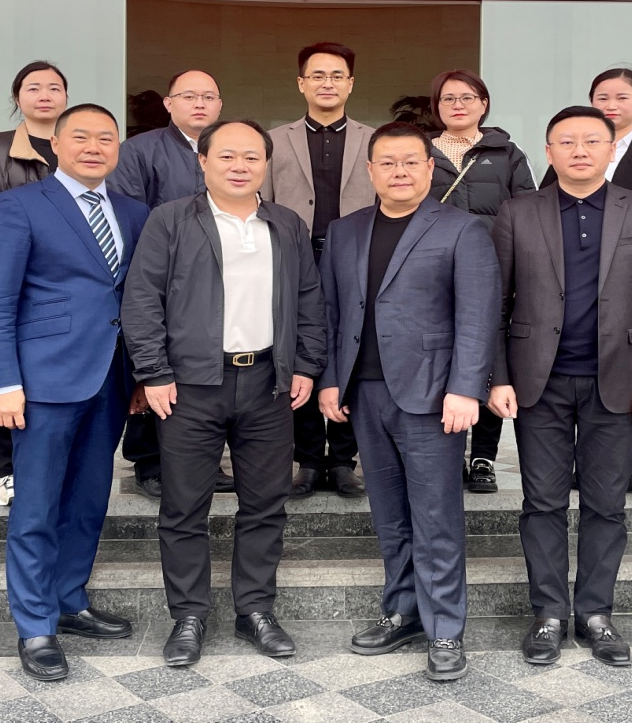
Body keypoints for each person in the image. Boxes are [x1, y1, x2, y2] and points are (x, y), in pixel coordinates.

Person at [122, 120, 326, 667]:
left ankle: (255, 609)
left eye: (252, 157)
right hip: (189, 385)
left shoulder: (285, 223)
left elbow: (309, 298)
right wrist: (153, 372)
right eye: (228, 155)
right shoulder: (170, 219)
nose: (240, 166)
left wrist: (306, 364)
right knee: (184, 506)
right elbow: (142, 299)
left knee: (265, 504)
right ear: (203, 162)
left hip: (267, 383)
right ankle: (188, 615)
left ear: (266, 164)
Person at [488, 106, 632, 668]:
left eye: (592, 141)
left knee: (606, 505)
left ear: (610, 150)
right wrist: (498, 376)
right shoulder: (517, 211)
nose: (579, 150)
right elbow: (495, 303)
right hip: (538, 382)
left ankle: (596, 613)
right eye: (566, 142)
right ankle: (548, 613)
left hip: (618, 381)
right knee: (542, 503)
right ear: (548, 151)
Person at [0, 103, 151, 681]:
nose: (94, 147)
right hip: (42, 381)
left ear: (118, 148)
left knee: (89, 499)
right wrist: (2, 381)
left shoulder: (135, 212)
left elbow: (138, 299)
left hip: (111, 378)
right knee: (37, 504)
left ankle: (70, 600)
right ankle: (35, 625)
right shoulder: (18, 205)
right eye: (81, 137)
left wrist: (141, 375)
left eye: (106, 138)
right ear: (56, 146)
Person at [319, 122, 499, 682]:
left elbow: (478, 316)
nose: (399, 172)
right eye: (388, 162)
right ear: (370, 170)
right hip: (364, 392)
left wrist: (466, 388)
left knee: (436, 516)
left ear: (429, 167)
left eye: (410, 162)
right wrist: (330, 380)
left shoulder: (463, 229)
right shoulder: (345, 231)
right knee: (389, 514)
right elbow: (331, 312)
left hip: (433, 394)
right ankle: (402, 611)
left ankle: (445, 628)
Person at [543, 68, 632, 493]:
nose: (611, 105)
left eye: (622, 97)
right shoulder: (571, 150)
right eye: (602, 97)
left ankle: (628, 456)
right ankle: (574, 461)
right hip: (578, 280)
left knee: (626, 365)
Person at [108, 70, 230, 500]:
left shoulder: (226, 149)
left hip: (216, 279)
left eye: (208, 97)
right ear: (168, 103)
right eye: (189, 96)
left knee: (202, 371)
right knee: (153, 365)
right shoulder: (139, 150)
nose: (200, 104)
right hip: (157, 275)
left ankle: (204, 461)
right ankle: (149, 463)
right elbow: (128, 216)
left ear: (220, 105)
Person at [265, 42, 376, 499]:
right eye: (317, 75)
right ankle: (309, 459)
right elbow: (264, 203)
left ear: (350, 84)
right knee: (300, 351)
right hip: (296, 257)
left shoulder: (373, 140)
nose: (327, 83)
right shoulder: (275, 140)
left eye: (336, 75)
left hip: (357, 257)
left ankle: (344, 460)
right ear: (301, 83)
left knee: (352, 349)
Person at [426, 69, 535, 493]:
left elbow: (528, 213)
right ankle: (448, 451)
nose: (458, 105)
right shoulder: (421, 152)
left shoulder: (507, 153)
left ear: (483, 104)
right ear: (436, 106)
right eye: (448, 98)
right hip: (434, 273)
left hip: (493, 271)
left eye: (468, 97)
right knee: (441, 358)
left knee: (490, 359)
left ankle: (484, 457)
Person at [0, 60, 69, 507]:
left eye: (54, 87)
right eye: (34, 87)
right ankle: (7, 470)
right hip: (14, 270)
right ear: (17, 97)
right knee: (5, 370)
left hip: (68, 275)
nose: (44, 95)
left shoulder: (76, 143)